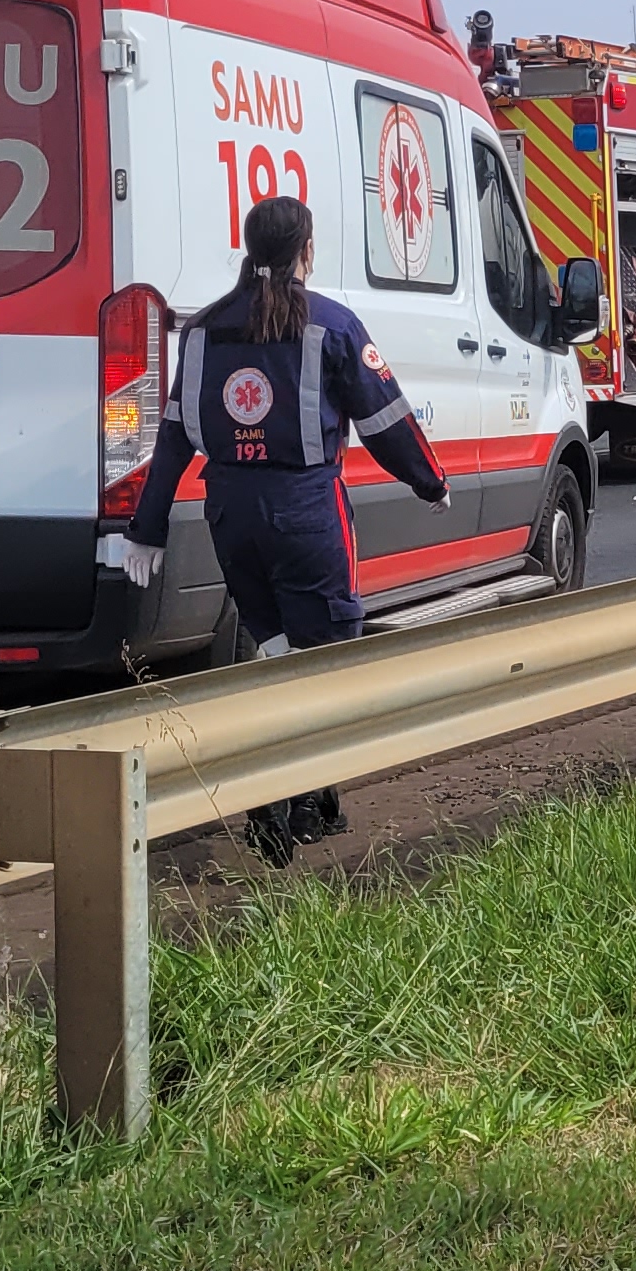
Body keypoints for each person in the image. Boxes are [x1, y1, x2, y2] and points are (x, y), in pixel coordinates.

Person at [122, 194, 451, 865]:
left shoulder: (205, 329)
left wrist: (147, 526)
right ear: (306, 250)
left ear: (249, 248)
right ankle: (297, 801)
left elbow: (177, 434)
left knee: (272, 654)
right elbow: (383, 419)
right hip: (306, 512)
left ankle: (289, 793)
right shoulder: (332, 325)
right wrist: (429, 481)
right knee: (329, 661)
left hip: (231, 515)